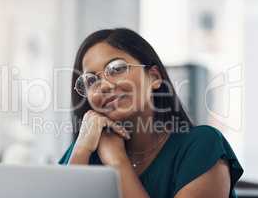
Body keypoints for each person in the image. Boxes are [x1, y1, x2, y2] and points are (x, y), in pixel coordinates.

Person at [58, 28, 243, 198]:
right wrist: (81, 150)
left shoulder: (202, 145)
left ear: (154, 77)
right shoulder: (85, 148)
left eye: (116, 69)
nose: (104, 85)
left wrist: (116, 160)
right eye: (91, 80)